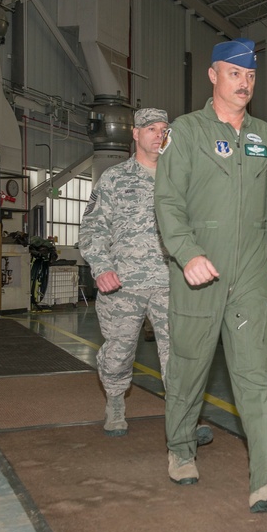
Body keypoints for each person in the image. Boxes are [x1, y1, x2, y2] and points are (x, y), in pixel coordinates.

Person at [154, 38, 267, 513]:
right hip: (200, 273)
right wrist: (186, 252)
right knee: (189, 367)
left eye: (251, 76)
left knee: (258, 376)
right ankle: (180, 448)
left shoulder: (264, 137)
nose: (245, 83)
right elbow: (168, 201)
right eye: (235, 74)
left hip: (252, 276)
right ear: (214, 76)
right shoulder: (188, 131)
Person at [79, 108, 201, 440]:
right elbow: (92, 230)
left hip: (171, 283)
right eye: (151, 128)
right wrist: (101, 267)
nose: (158, 134)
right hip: (123, 284)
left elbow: (199, 230)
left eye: (163, 129)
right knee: (119, 353)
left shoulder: (182, 180)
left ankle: (182, 420)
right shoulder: (115, 179)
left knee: (178, 354)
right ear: (135, 133)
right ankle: (116, 401)